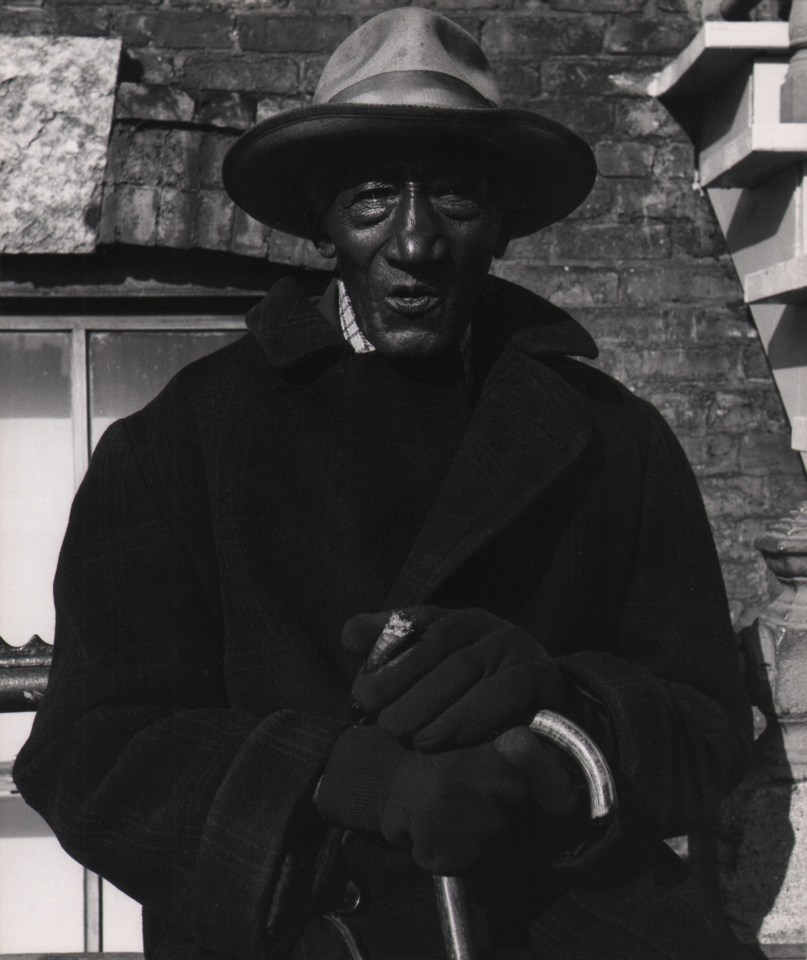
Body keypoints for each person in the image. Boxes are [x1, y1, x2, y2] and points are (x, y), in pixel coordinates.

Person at [15, 8, 753, 960]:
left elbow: (704, 728)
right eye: (371, 199)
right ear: (323, 218)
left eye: (453, 197)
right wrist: (340, 779)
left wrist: (556, 727)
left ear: (501, 223)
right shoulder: (177, 443)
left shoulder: (613, 440)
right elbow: (90, 752)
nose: (415, 242)